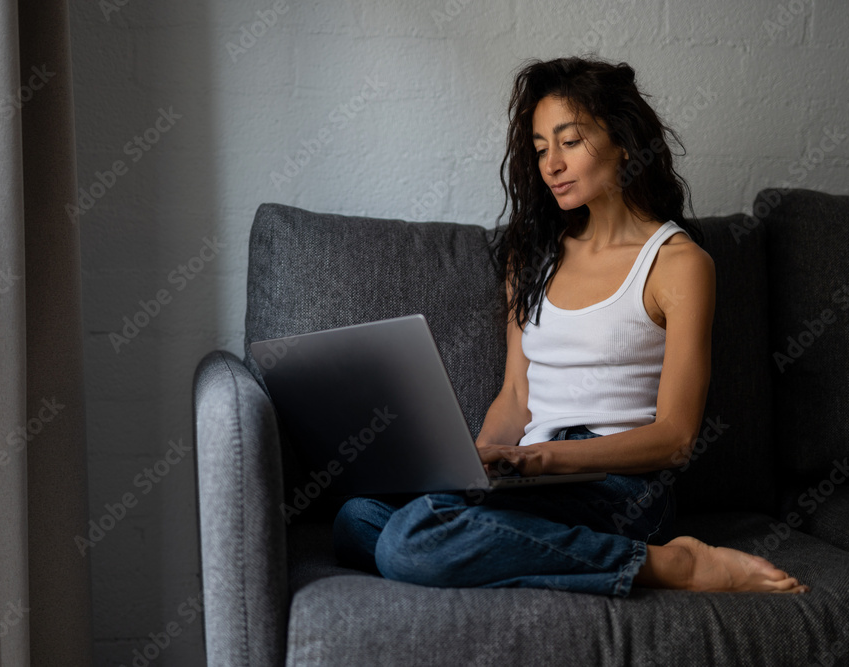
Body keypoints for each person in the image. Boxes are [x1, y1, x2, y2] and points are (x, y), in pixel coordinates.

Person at [332, 56, 809, 596]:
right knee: (357, 516)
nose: (551, 164)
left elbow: (676, 440)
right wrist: (468, 470)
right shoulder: (530, 255)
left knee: (406, 542)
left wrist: (541, 458)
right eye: (540, 150)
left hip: (618, 488)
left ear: (624, 141)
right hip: (531, 476)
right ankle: (508, 541)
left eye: (570, 141)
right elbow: (515, 397)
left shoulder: (677, 263)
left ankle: (672, 565)